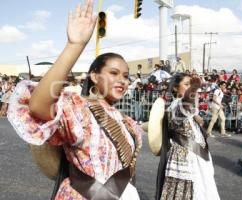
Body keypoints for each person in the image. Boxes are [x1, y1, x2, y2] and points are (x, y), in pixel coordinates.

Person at [7, 0, 142, 199]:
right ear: (95, 76)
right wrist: (75, 45)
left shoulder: (127, 122)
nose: (122, 79)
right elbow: (37, 106)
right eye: (114, 73)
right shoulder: (80, 109)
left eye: (125, 75)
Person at [155, 73, 220, 200]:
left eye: (191, 85)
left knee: (204, 190)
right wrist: (194, 88)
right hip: (185, 157)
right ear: (175, 88)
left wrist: (196, 116)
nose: (190, 87)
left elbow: (189, 109)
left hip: (198, 156)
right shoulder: (175, 105)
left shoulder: (188, 108)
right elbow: (185, 103)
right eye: (186, 84)